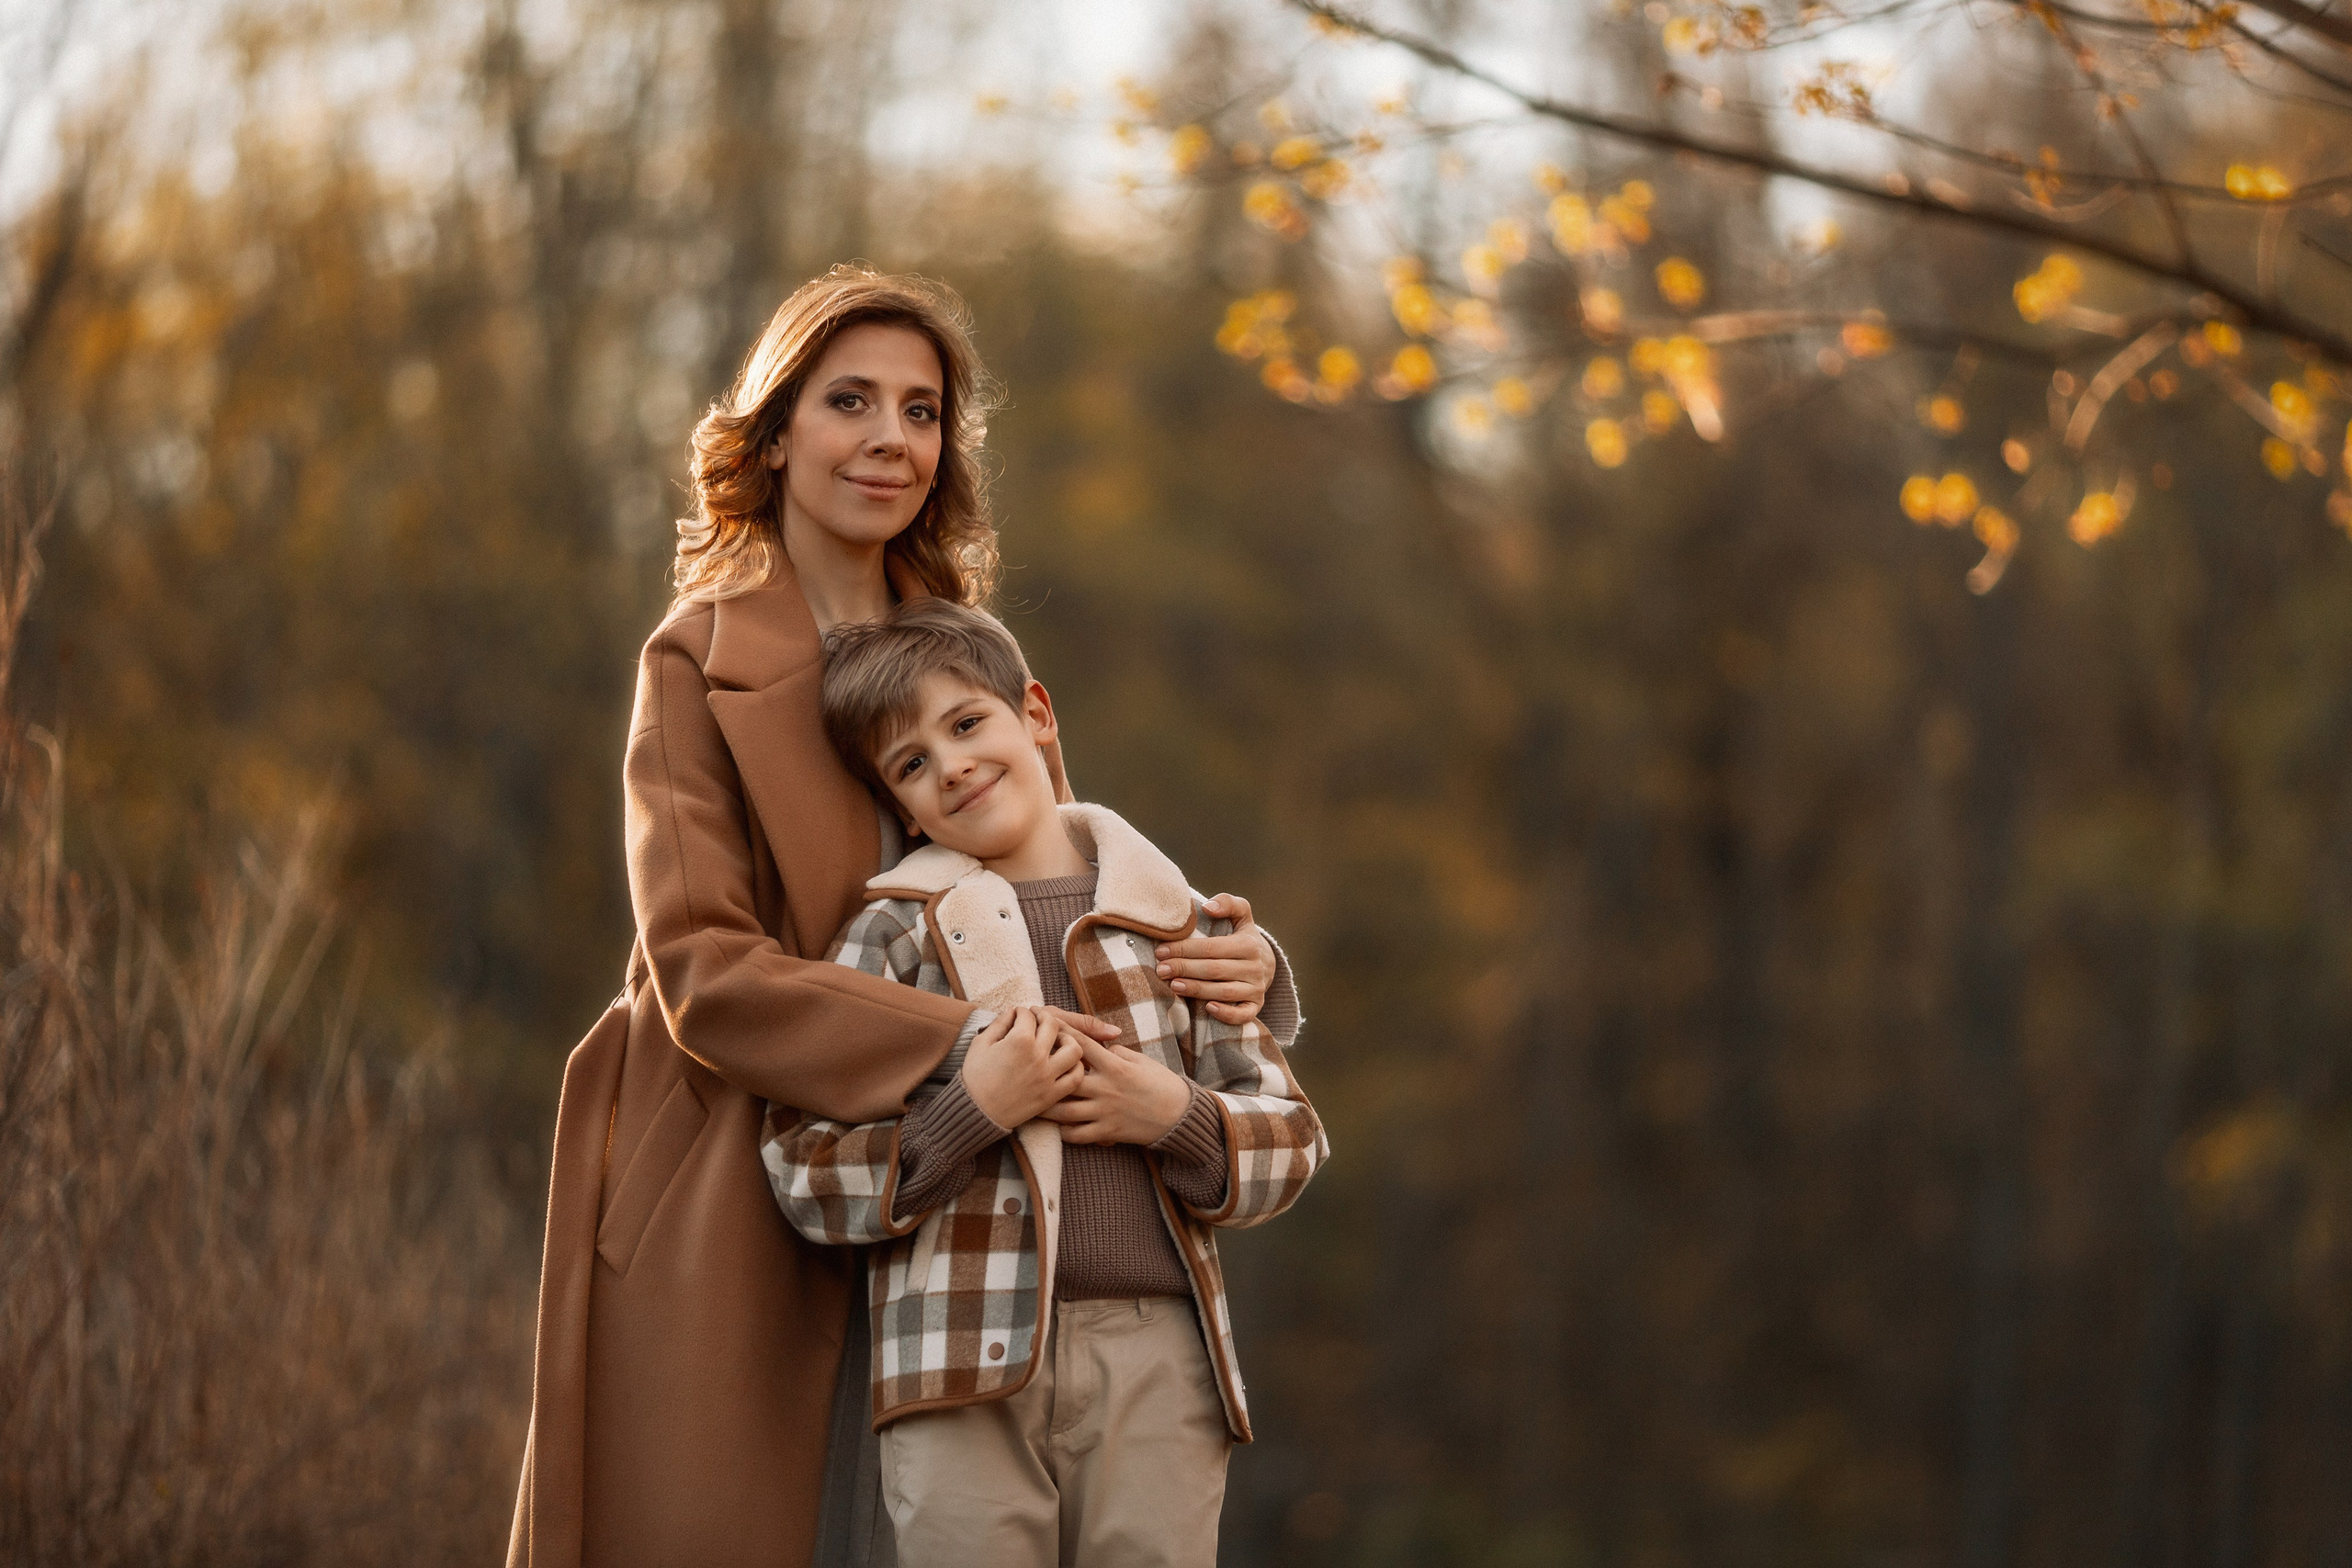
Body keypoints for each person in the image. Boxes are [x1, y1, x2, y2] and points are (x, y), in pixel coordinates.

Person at [506, 265, 1302, 1568]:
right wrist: (969, 1049)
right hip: (744, 1155)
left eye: (923, 410)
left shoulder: (965, 648)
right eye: (851, 400)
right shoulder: (695, 657)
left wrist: (1239, 961)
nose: (891, 437)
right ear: (774, 435)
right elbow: (705, 967)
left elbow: (1060, 887)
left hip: (979, 1206)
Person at [763, 598, 1327, 1568]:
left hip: (1158, 1360)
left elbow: (1293, 1140)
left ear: (1036, 713)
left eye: (967, 724)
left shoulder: (1176, 922)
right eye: (912, 764)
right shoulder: (891, 935)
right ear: (902, 806)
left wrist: (1175, 1117)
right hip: (953, 1362)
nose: (952, 766)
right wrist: (969, 1115)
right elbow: (803, 1165)